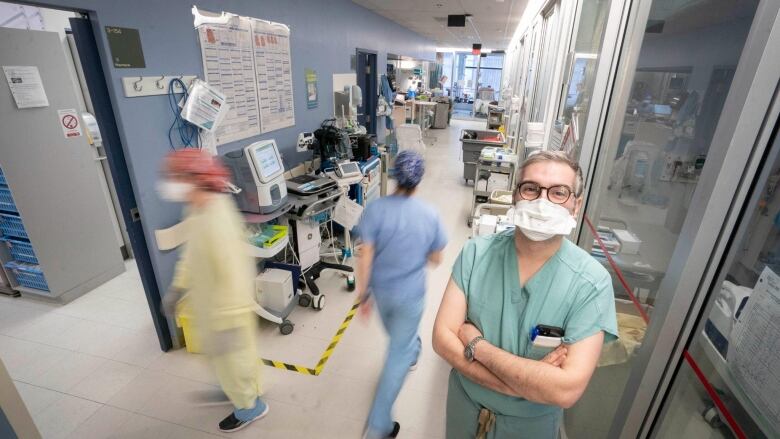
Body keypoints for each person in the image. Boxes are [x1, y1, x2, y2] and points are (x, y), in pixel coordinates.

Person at [432, 151, 618, 438]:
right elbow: (442, 339)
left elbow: (566, 390)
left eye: (559, 192)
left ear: (575, 205)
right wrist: (518, 383)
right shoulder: (476, 254)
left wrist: (477, 345)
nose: (542, 202)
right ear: (516, 196)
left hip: (529, 427)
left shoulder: (591, 284)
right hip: (464, 411)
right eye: (531, 189)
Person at [159, 149, 267, 433]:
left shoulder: (217, 218)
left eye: (178, 177)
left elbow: (232, 274)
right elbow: (191, 255)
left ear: (197, 180)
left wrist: (226, 322)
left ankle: (249, 406)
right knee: (229, 362)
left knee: (236, 361)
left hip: (228, 310)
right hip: (211, 305)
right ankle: (235, 389)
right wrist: (177, 287)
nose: (172, 183)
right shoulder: (198, 208)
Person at [356, 150, 448, 439]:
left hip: (382, 294)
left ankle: (411, 351)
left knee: (400, 337)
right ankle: (379, 426)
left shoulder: (375, 209)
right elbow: (436, 260)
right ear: (419, 180)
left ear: (394, 176)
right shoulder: (429, 215)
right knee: (398, 353)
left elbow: (365, 254)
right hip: (411, 295)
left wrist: (363, 294)